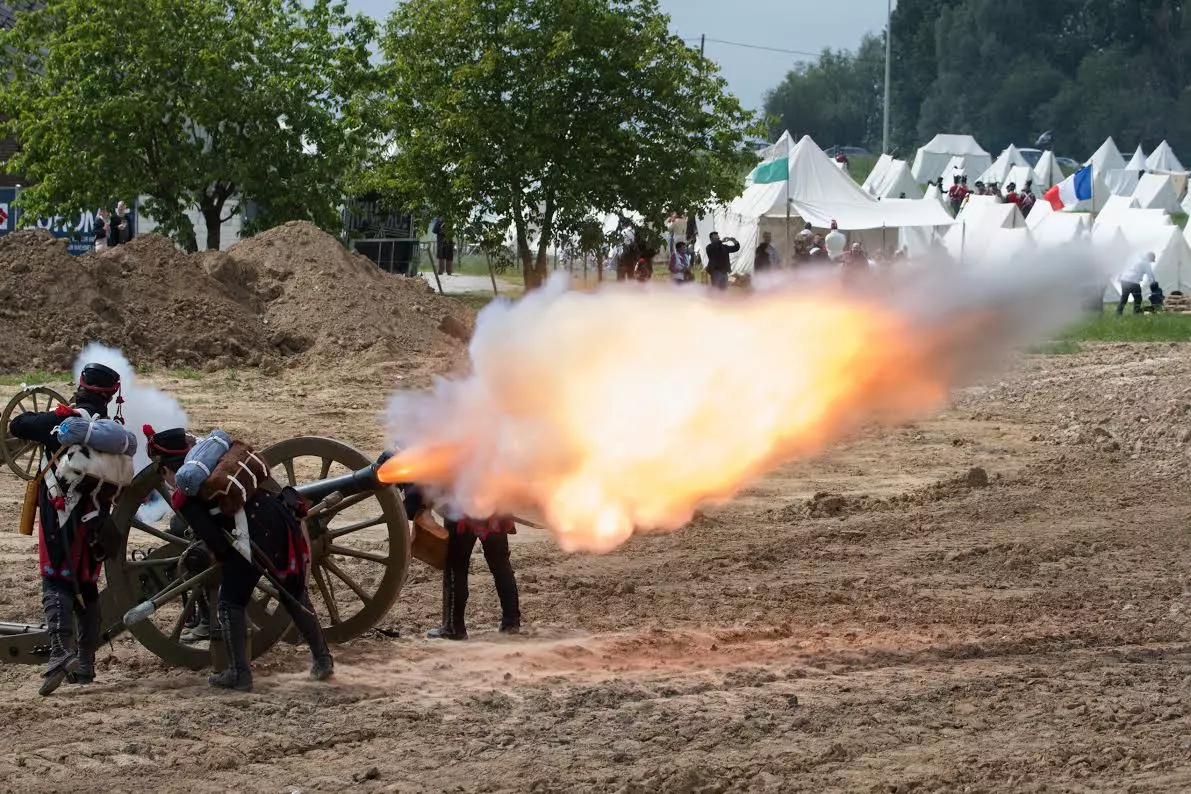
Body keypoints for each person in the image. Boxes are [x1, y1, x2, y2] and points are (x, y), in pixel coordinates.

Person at [148, 427, 334, 691]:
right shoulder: (219, 463)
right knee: (294, 593)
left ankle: (239, 673)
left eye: (162, 473)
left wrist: (226, 563)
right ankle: (322, 659)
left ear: (168, 469)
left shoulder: (184, 496)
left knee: (230, 603)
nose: (165, 479)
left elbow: (216, 544)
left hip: (250, 535)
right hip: (279, 517)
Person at [8, 363, 123, 695]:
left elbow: (18, 424)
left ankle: (60, 654)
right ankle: (85, 663)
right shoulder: (109, 431)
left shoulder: (63, 421)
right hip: (97, 519)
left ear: (82, 388)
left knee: (55, 578)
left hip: (61, 516)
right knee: (86, 582)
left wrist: (53, 414)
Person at [402, 485, 520, 640]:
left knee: (457, 567)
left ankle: (454, 627)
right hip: (496, 506)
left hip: (462, 510)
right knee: (501, 565)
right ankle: (511, 623)